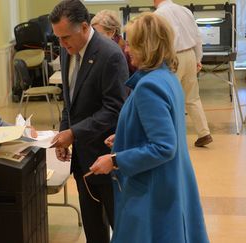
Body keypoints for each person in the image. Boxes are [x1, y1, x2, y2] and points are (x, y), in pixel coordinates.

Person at [89, 13, 209, 243]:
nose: (126, 50)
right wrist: (124, 135)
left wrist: (115, 160)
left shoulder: (148, 87)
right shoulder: (167, 77)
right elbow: (161, 128)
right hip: (172, 181)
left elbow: (164, 146)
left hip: (153, 190)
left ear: (147, 47)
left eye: (132, 44)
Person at [49, 1, 128, 242]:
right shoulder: (67, 49)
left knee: (121, 227)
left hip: (106, 156)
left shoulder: (110, 55)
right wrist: (64, 135)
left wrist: (74, 133)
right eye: (58, 39)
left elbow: (115, 109)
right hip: (83, 161)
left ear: (84, 27)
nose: (61, 44)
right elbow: (69, 101)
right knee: (94, 229)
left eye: (65, 38)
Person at [154, 0, 213, 147]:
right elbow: (197, 36)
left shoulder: (157, 15)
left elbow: (158, 43)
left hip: (173, 58)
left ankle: (175, 137)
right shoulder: (184, 10)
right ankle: (204, 133)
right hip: (190, 55)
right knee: (192, 97)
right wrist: (198, 58)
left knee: (172, 98)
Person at [91, 10, 136, 76]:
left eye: (98, 35)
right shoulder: (102, 48)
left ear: (111, 33)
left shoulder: (126, 52)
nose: (94, 39)